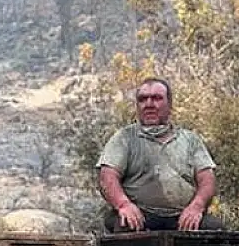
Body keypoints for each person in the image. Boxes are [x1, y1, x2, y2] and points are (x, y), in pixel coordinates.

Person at [96, 77, 225, 233]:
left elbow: (207, 179)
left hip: (183, 217)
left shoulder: (190, 140)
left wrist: (197, 207)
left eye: (157, 98)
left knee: (214, 229)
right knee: (124, 226)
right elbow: (107, 176)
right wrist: (124, 205)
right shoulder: (124, 138)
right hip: (140, 216)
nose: (149, 104)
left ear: (169, 105)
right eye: (143, 99)